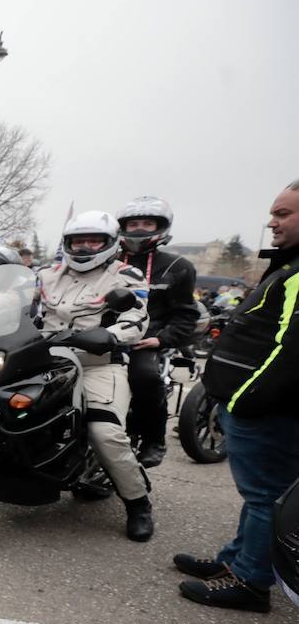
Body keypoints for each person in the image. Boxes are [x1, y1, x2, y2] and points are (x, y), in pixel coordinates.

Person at [178, 180, 299, 612]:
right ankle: (236, 562)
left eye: (284, 214)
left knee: (266, 496)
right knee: (260, 495)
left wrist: (244, 399)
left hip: (268, 413)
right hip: (257, 409)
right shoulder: (290, 267)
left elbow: (291, 350)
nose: (272, 222)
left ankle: (250, 583)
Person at [38, 211, 153, 541]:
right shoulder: (47, 274)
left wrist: (112, 334)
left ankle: (137, 502)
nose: (85, 247)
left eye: (93, 240)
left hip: (97, 363)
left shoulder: (125, 276)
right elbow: (18, 304)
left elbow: (136, 316)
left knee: (103, 431)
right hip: (46, 359)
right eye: (78, 240)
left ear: (109, 243)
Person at [116, 196, 197, 468]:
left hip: (147, 339)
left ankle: (154, 439)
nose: (139, 229)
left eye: (147, 223)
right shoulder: (106, 260)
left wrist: (160, 340)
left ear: (160, 227)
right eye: (134, 223)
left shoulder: (178, 266)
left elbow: (186, 314)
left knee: (146, 376)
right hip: (105, 336)